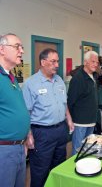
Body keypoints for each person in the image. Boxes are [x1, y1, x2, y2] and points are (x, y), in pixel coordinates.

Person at [22, 48, 74, 187]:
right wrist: (29, 135)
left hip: (60, 131)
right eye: (53, 61)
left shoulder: (59, 80)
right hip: (42, 133)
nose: (57, 65)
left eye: (57, 61)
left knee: (59, 167)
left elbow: (64, 103)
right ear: (43, 62)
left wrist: (69, 119)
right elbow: (26, 112)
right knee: (41, 170)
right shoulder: (30, 84)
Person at [0, 33, 30, 187]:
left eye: (22, 47)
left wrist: (26, 136)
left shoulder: (11, 77)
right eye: (17, 46)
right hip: (4, 151)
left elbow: (17, 110)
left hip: (18, 147)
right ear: (2, 49)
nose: (22, 51)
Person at [67, 51, 99, 155]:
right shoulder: (78, 78)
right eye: (93, 61)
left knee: (85, 148)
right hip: (80, 122)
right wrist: (70, 120)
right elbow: (70, 101)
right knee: (77, 150)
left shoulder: (93, 76)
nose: (95, 64)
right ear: (85, 62)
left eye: (97, 62)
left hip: (91, 121)